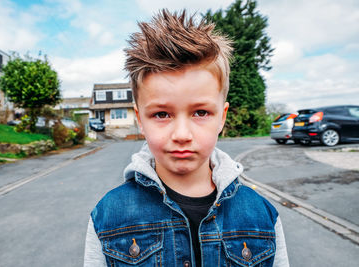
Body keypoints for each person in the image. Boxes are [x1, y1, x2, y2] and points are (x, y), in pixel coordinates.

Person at [84, 9, 289, 267]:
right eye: (161, 114)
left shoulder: (262, 215)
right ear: (140, 119)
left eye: (201, 112)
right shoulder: (108, 216)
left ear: (222, 117)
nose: (182, 135)